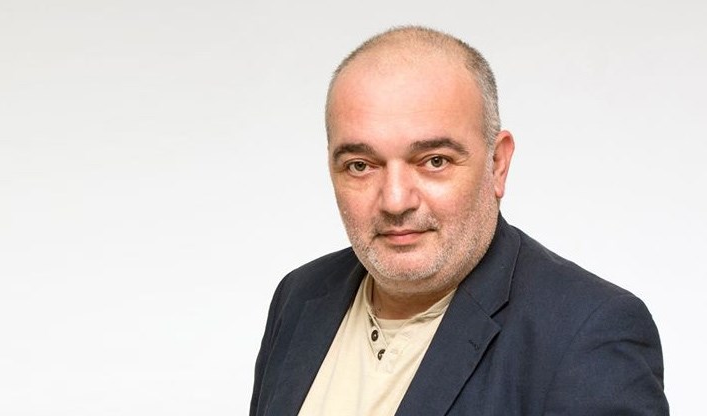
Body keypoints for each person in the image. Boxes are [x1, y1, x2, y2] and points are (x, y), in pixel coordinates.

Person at [250, 26, 668, 415]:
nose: (395, 201)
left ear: (497, 164)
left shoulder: (587, 334)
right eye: (361, 165)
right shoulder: (299, 296)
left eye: (434, 161)